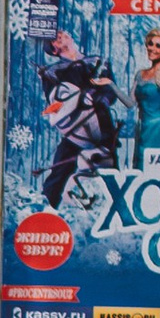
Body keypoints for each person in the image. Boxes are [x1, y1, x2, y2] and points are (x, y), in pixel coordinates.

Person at [38, 34, 118, 209]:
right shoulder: (53, 72)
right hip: (76, 128)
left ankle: (117, 207)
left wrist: (100, 99)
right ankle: (46, 209)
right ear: (53, 49)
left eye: (62, 33)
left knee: (109, 168)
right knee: (61, 168)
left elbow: (111, 91)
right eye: (55, 38)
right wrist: (77, 101)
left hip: (102, 125)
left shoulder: (97, 61)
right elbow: (56, 102)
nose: (61, 36)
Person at [132, 27, 160, 154]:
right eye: (150, 44)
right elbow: (130, 103)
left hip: (158, 130)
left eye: (158, 46)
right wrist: (110, 85)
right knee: (139, 166)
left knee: (153, 169)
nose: (152, 48)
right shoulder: (140, 74)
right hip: (141, 128)